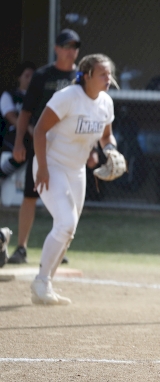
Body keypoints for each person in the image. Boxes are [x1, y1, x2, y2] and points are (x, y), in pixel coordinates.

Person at [29, 53, 119, 305]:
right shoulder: (68, 97)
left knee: (69, 231)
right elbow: (39, 129)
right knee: (65, 223)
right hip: (52, 164)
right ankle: (41, 282)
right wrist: (42, 168)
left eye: (109, 73)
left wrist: (110, 150)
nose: (108, 78)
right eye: (102, 74)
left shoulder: (105, 102)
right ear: (87, 75)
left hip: (77, 169)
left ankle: (45, 284)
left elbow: (106, 136)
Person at [8, 29, 81, 265]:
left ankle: (59, 247)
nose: (71, 51)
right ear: (56, 48)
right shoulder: (42, 76)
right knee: (31, 194)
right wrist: (19, 142)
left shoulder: (81, 76)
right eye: (66, 46)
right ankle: (21, 247)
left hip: (70, 147)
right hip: (42, 144)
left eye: (75, 46)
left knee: (65, 197)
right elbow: (26, 112)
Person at [0, 61, 36, 178]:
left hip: (35, 138)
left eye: (32, 76)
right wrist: (27, 128)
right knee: (21, 153)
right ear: (19, 77)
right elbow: (10, 116)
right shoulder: (9, 95)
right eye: (26, 76)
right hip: (13, 138)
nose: (30, 79)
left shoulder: (38, 97)